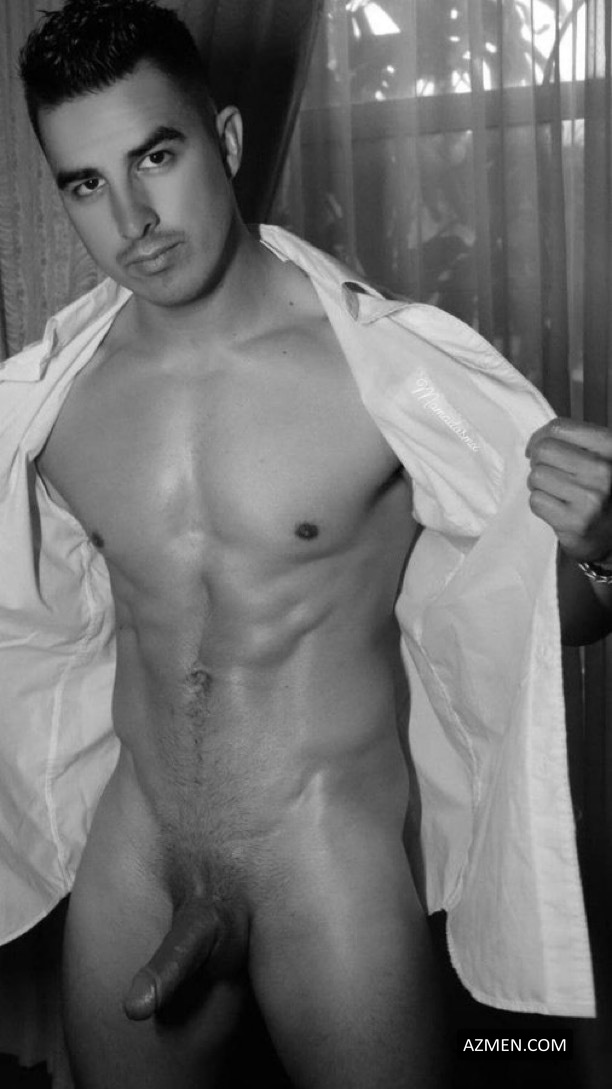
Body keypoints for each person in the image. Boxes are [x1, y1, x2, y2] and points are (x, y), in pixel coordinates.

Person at [2, 0, 611, 1085]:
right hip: (135, 853)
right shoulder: (52, 408)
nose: (131, 216)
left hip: (322, 856)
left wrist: (598, 544)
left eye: (156, 156)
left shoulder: (385, 376)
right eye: (85, 183)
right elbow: (37, 622)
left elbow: (534, 619)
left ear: (228, 142)